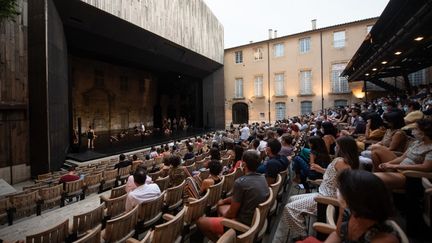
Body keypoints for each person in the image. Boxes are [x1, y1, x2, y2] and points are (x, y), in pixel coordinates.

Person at [273, 136, 359, 242]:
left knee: (289, 208)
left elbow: (345, 185)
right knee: (291, 199)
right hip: (323, 193)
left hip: (325, 198)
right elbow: (334, 175)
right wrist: (321, 170)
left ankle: (303, 236)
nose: (335, 148)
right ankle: (300, 225)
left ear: (343, 148)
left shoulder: (342, 163)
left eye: (337, 146)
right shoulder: (342, 162)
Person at [302, 170, 400, 243]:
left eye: (341, 190)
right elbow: (338, 233)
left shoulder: (384, 239)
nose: (338, 193)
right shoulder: (351, 212)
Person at [196, 150, 270, 241]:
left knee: (200, 222)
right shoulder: (263, 178)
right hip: (253, 220)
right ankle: (223, 235)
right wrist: (223, 201)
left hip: (242, 226)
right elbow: (238, 197)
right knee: (220, 206)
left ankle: (221, 241)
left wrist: (223, 219)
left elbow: (232, 213)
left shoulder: (241, 182)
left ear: (244, 164)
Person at [374, 118, 432, 189]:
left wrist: (394, 166)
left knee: (373, 180)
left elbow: (425, 167)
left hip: (410, 176)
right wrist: (389, 164)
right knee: (376, 149)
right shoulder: (417, 142)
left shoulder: (430, 148)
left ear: (425, 131)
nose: (413, 131)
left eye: (416, 129)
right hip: (400, 169)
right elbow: (402, 157)